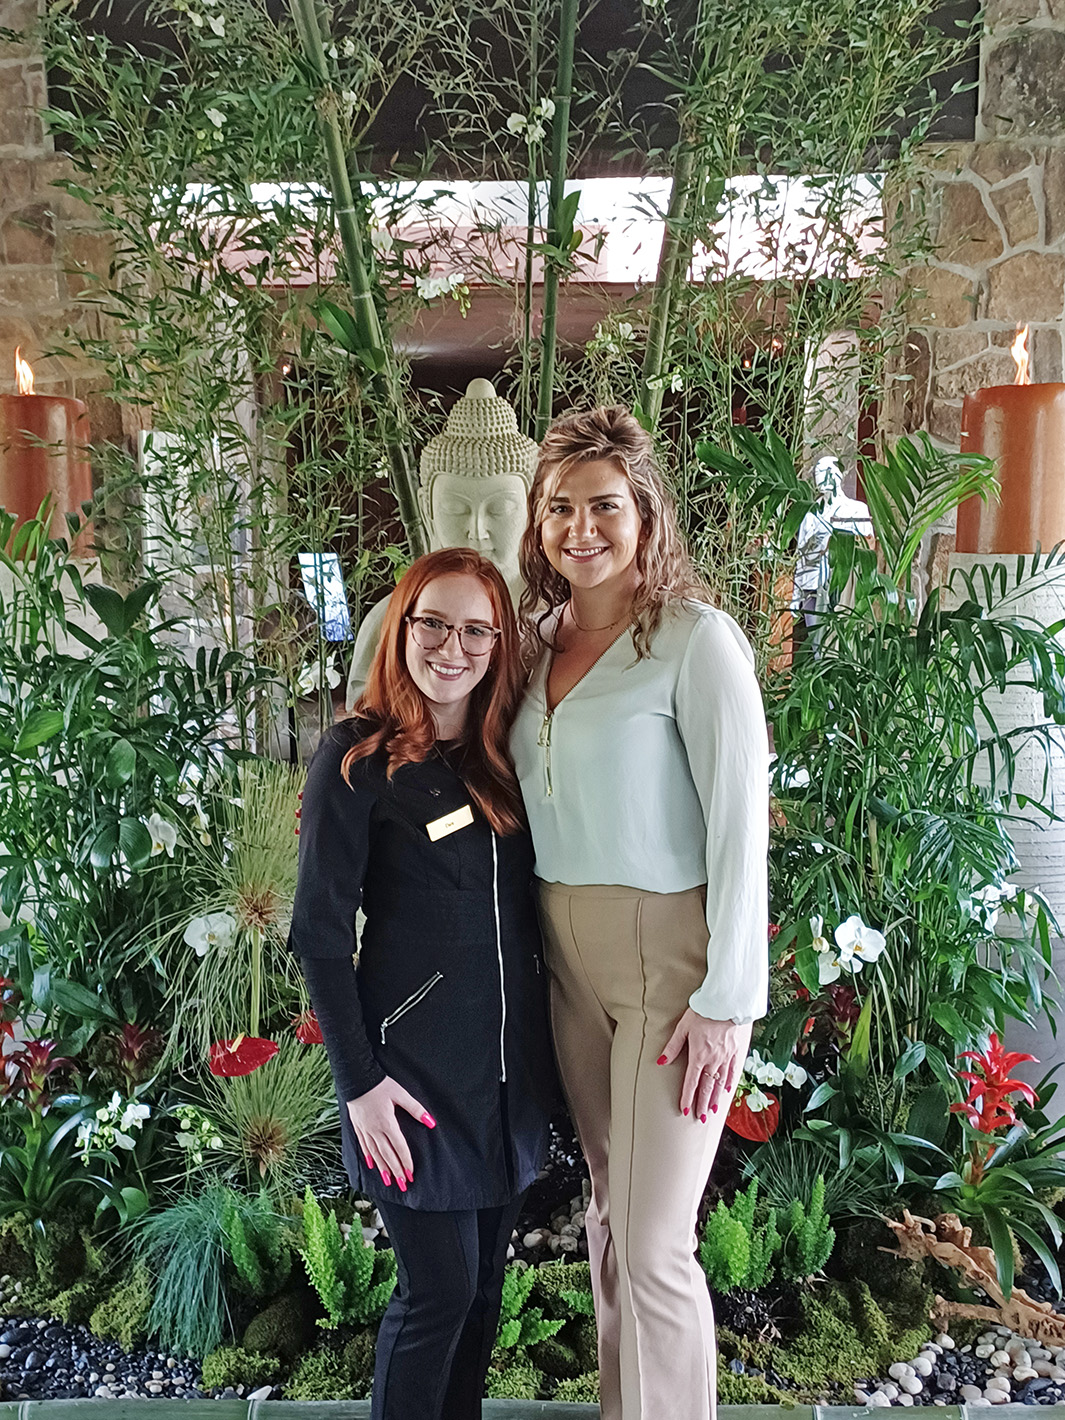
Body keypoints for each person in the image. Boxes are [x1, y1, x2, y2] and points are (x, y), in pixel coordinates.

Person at [510, 406, 770, 1420]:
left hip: (671, 963)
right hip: (564, 959)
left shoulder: (696, 643)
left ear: (644, 513)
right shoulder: (531, 646)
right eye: (561, 508)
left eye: (605, 505)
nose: (583, 528)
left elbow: (740, 832)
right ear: (538, 525)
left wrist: (728, 1001)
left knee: (657, 1241)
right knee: (611, 1218)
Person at [290, 547, 554, 1420]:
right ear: (401, 626)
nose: (453, 646)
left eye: (476, 629)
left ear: (499, 642)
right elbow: (320, 938)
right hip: (410, 1083)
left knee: (481, 1299)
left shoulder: (502, 756)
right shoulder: (355, 760)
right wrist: (360, 1085)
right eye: (433, 623)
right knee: (437, 1294)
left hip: (509, 1079)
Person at [345, 379, 537, 708]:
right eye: (455, 509)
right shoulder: (392, 620)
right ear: (426, 508)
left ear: (535, 508)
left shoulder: (559, 622)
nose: (477, 531)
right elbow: (362, 722)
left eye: (500, 509)